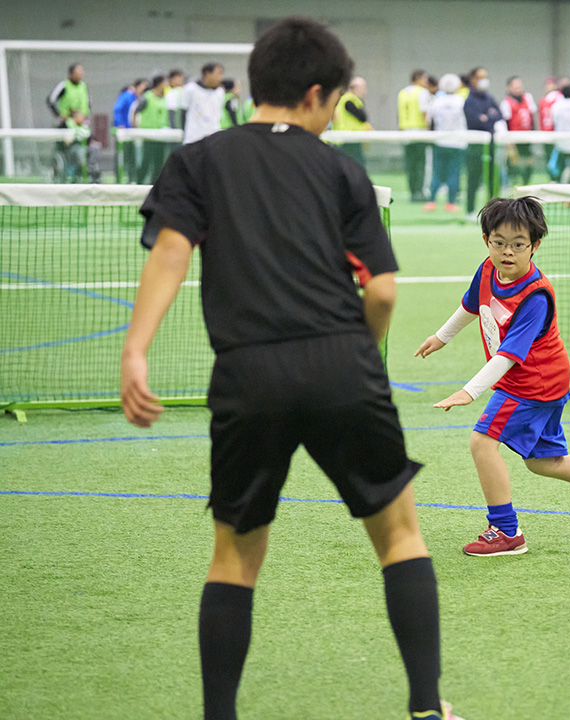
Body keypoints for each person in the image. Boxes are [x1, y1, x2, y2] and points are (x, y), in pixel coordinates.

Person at [119, 17, 462, 720]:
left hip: (247, 376)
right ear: (313, 94)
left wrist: (136, 350)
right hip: (343, 364)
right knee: (399, 535)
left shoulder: (198, 161)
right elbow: (386, 290)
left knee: (235, 558)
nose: (334, 115)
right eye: (335, 102)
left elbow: (171, 252)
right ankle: (427, 708)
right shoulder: (341, 169)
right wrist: (356, 361)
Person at [414, 196, 570, 556]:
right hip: (546, 381)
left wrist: (469, 392)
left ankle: (506, 531)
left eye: (518, 245)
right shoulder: (487, 270)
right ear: (486, 240)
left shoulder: (535, 295)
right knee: (543, 460)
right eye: (499, 243)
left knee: (482, 443)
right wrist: (441, 337)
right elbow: (470, 305)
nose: (507, 252)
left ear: (535, 246)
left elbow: (509, 356)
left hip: (532, 383)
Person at [463, 67, 503, 219]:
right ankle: (470, 211)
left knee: (493, 179)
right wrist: (487, 118)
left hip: (492, 145)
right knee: (473, 179)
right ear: (473, 80)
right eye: (481, 77)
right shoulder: (469, 101)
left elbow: (499, 115)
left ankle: (494, 211)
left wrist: (487, 118)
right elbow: (476, 121)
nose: (484, 80)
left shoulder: (489, 98)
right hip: (475, 147)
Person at [425, 74, 468, 213]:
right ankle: (450, 203)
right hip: (458, 143)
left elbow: (429, 121)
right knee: (454, 173)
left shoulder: (436, 101)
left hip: (440, 142)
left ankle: (431, 201)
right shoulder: (461, 101)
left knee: (437, 172)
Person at [398, 69, 432, 202]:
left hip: (405, 132)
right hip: (419, 132)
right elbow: (424, 112)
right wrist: (429, 127)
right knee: (421, 164)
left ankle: (412, 192)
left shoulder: (402, 93)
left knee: (410, 165)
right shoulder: (422, 92)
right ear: (419, 78)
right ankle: (419, 192)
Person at [501, 76, 538, 187]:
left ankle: (526, 183)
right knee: (513, 163)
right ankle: (513, 184)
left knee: (528, 162)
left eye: (520, 86)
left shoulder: (528, 98)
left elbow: (532, 118)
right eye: (515, 86)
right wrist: (508, 140)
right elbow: (506, 122)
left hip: (527, 138)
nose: (518, 88)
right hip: (514, 138)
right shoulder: (506, 103)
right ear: (509, 87)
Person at [134, 75, 170, 184]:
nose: (167, 86)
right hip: (148, 136)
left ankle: (154, 186)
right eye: (165, 83)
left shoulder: (165, 98)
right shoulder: (147, 97)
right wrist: (135, 128)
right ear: (159, 84)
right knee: (146, 162)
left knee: (159, 163)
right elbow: (136, 112)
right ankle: (138, 184)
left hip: (161, 136)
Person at [180, 62, 225, 144]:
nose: (220, 78)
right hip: (193, 139)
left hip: (213, 140)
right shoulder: (191, 89)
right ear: (207, 74)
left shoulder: (220, 92)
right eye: (218, 74)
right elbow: (183, 113)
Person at [113, 78, 148, 183]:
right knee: (122, 156)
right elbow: (117, 109)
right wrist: (120, 124)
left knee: (132, 157)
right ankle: (119, 178)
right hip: (124, 132)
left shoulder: (137, 98)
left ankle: (131, 178)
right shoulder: (128, 95)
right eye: (143, 87)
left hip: (132, 133)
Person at [333, 76, 372, 165]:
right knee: (357, 165)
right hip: (350, 138)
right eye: (362, 88)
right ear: (355, 88)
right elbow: (363, 117)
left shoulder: (344, 99)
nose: (364, 90)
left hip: (348, 138)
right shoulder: (350, 100)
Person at [549, 84, 570, 182]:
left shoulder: (556, 105)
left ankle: (558, 182)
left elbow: (554, 121)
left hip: (560, 140)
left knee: (560, 165)